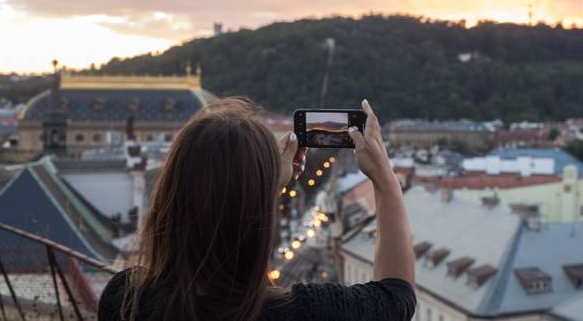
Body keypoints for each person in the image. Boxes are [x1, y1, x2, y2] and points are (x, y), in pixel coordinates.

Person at [98, 98, 416, 321]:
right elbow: (396, 297)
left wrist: (261, 186)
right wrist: (385, 180)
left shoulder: (125, 298)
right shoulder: (300, 312)